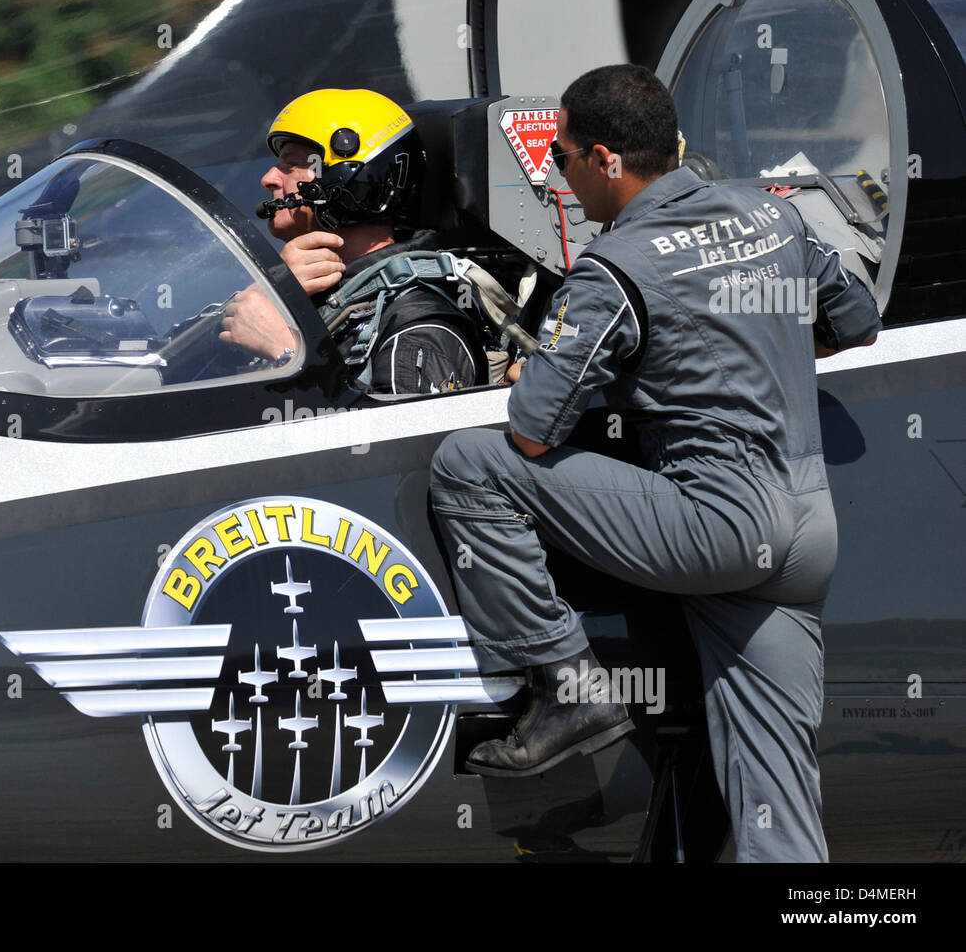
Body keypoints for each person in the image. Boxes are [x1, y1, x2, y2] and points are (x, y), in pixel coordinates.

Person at [429, 64, 879, 862]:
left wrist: (539, 367)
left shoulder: (615, 268)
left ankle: (569, 690)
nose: (556, 177)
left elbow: (532, 436)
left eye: (561, 159)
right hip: (808, 533)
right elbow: (856, 320)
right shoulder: (772, 218)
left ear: (606, 160)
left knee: (469, 462)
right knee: (778, 808)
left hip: (715, 527)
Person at [218, 88, 486, 393]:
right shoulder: (309, 290)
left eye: (291, 165)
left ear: (345, 177)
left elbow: (408, 438)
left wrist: (289, 354)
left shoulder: (418, 322)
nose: (268, 178)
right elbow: (172, 365)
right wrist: (272, 288)